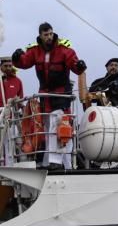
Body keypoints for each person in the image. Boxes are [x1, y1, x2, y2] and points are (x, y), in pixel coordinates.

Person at [12, 22, 87, 170]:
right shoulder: (35, 51)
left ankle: (55, 161)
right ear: (40, 35)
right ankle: (61, 163)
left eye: (51, 34)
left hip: (61, 95)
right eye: (46, 34)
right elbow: (24, 62)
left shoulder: (64, 50)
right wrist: (17, 58)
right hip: (45, 96)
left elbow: (74, 64)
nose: (49, 37)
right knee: (47, 126)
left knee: (56, 125)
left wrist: (79, 66)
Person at [0, 57, 24, 165]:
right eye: (6, 66)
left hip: (12, 116)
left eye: (10, 66)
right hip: (1, 114)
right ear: (1, 66)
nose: (9, 68)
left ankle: (9, 166)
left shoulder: (17, 81)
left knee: (10, 144)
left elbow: (20, 99)